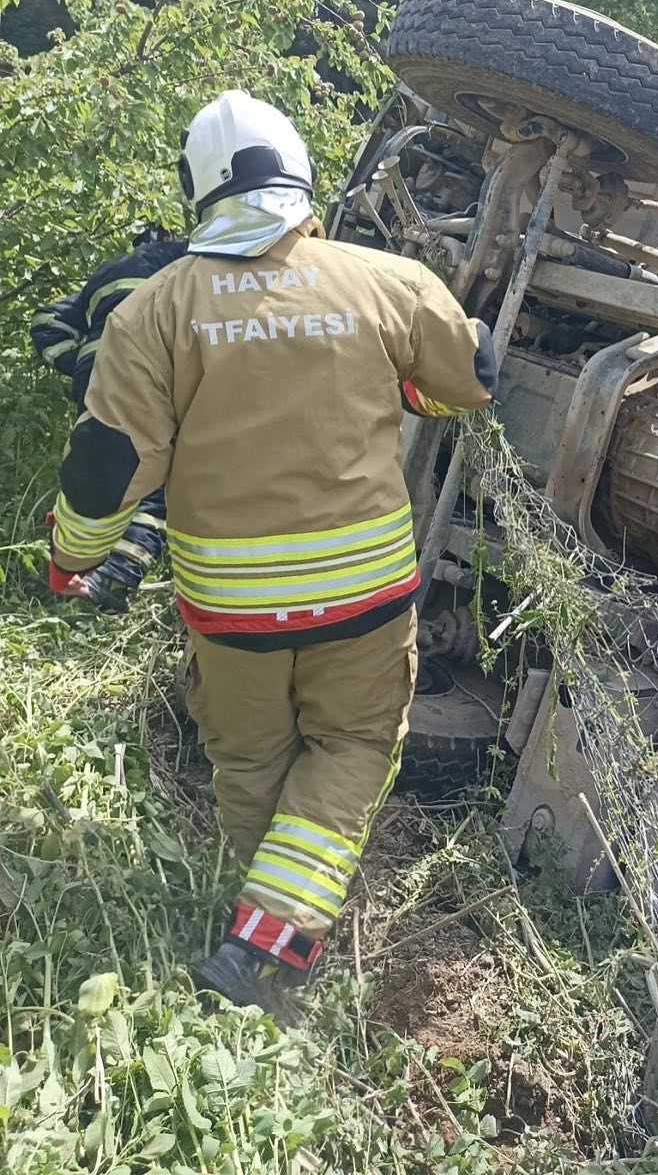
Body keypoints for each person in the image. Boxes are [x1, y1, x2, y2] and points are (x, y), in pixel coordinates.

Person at [48, 90, 497, 1014]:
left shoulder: (155, 311)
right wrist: (410, 390)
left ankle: (256, 921)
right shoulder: (385, 279)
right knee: (355, 745)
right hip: (365, 603)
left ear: (198, 191)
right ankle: (270, 939)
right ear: (301, 177)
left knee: (251, 759)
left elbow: (107, 470)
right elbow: (470, 378)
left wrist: (72, 558)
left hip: (232, 612)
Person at [33, 223, 186, 610]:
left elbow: (47, 322)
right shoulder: (190, 263)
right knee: (153, 485)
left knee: (104, 467)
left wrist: (82, 364)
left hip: (101, 378)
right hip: (159, 377)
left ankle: (79, 559)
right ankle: (114, 576)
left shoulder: (111, 270)